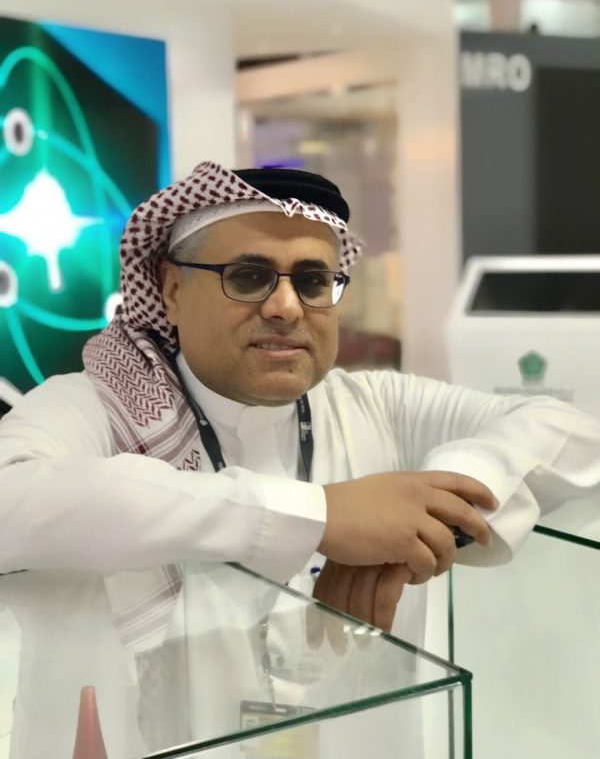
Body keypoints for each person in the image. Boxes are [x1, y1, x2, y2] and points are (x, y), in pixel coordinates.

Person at [1, 159, 599, 643]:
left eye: (312, 281)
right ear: (172, 291)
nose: (286, 307)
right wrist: (319, 516)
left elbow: (568, 430)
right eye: (248, 276)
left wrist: (431, 514)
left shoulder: (372, 403)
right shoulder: (97, 407)